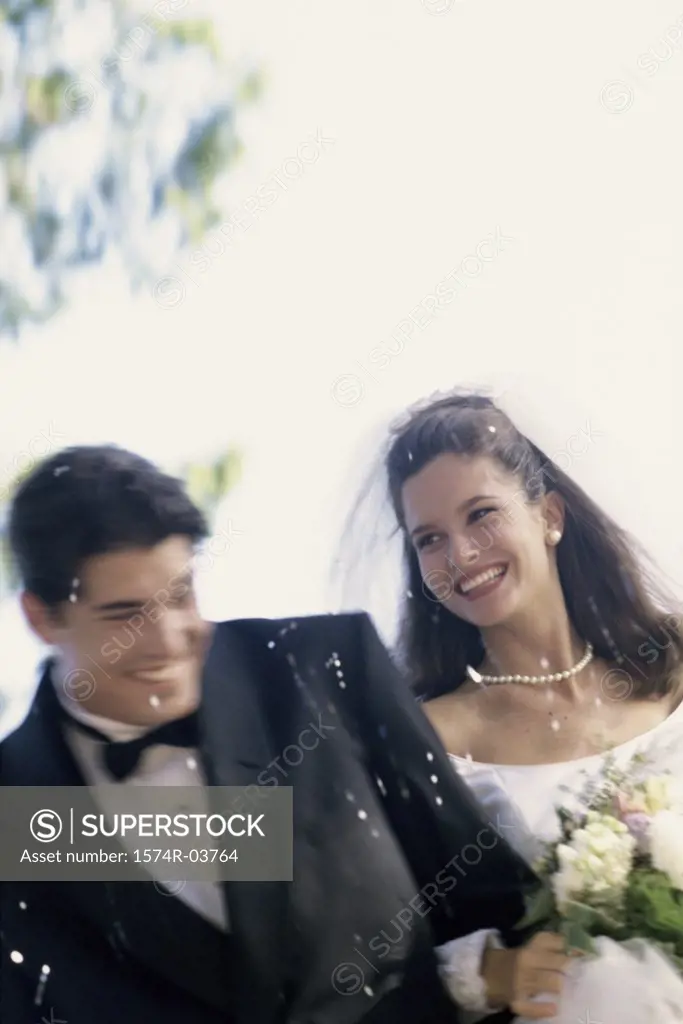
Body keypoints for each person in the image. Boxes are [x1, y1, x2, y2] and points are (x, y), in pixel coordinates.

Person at [0, 443, 536, 1024]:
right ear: (41, 617)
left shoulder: (327, 673)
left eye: (181, 596)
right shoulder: (13, 807)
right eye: (125, 615)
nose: (168, 638)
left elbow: (508, 921)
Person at [375, 389, 683, 1019]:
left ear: (549, 516)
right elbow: (366, 954)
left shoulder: (672, 667)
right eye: (429, 539)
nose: (460, 555)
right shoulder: (428, 739)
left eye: (481, 514)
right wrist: (486, 970)